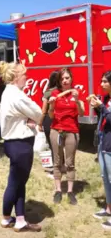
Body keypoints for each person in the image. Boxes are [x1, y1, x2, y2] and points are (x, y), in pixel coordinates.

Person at [0, 61, 42, 232]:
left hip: (12, 143)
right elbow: (38, 112)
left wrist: (26, 119)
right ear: (16, 77)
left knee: (17, 182)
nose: (27, 77)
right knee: (16, 183)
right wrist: (30, 118)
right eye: (24, 74)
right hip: (20, 145)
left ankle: (18, 219)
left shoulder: (8, 93)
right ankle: (7, 217)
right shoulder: (17, 95)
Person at [49, 68, 84, 205]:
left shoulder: (75, 93)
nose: (64, 81)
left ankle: (70, 191)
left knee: (70, 163)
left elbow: (81, 113)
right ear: (59, 81)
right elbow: (51, 115)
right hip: (56, 130)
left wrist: (76, 100)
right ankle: (58, 190)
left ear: (71, 79)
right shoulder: (55, 93)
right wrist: (52, 106)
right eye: (62, 79)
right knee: (57, 162)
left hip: (72, 131)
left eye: (67, 78)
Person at [88, 71, 111, 230]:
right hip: (103, 142)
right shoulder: (106, 98)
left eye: (105, 81)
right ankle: (109, 208)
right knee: (105, 177)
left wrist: (101, 107)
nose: (101, 84)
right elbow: (104, 118)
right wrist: (97, 107)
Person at [38, 71, 59, 176]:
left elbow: (43, 110)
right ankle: (61, 166)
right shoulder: (62, 91)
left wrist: (39, 123)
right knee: (60, 145)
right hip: (60, 120)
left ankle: (55, 171)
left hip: (49, 120)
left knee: (52, 146)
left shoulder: (48, 92)